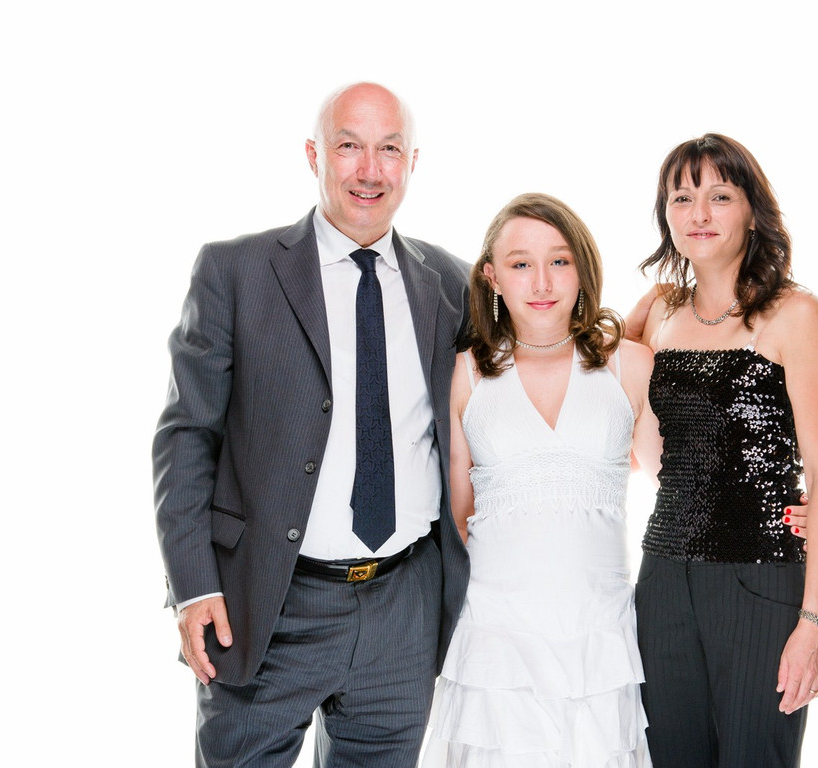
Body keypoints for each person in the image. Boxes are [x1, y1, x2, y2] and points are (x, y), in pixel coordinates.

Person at [152, 82, 472, 768]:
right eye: (349, 146)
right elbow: (186, 436)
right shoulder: (235, 271)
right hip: (267, 603)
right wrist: (194, 584)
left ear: (413, 162)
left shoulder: (451, 284)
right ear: (313, 155)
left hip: (404, 608)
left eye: (389, 150)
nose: (370, 170)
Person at [422, 193, 662, 767]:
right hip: (495, 639)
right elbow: (456, 519)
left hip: (598, 638)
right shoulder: (465, 374)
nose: (542, 282)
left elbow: (679, 483)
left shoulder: (631, 365)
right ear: (491, 276)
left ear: (583, 266)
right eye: (520, 263)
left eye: (559, 260)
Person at [627, 134, 818, 767]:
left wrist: (816, 623)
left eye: (719, 196)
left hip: (760, 578)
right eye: (681, 198)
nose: (698, 213)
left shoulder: (796, 316)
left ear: (752, 210)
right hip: (662, 579)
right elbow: (615, 394)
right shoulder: (659, 312)